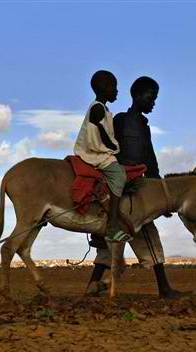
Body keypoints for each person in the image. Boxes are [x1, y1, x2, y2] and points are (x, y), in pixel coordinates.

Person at [85, 76, 189, 299]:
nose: (153, 103)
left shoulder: (144, 127)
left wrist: (163, 196)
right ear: (137, 96)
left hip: (139, 187)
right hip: (125, 187)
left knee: (115, 238)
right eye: (150, 98)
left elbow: (150, 163)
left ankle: (93, 285)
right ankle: (164, 289)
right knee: (145, 235)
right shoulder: (120, 120)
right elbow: (108, 148)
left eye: (155, 99)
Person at [73, 70, 131, 245]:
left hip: (101, 150)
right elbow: (96, 137)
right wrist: (113, 148)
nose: (117, 91)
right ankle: (112, 225)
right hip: (94, 153)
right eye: (114, 87)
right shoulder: (97, 108)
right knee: (119, 176)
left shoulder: (103, 108)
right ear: (105, 88)